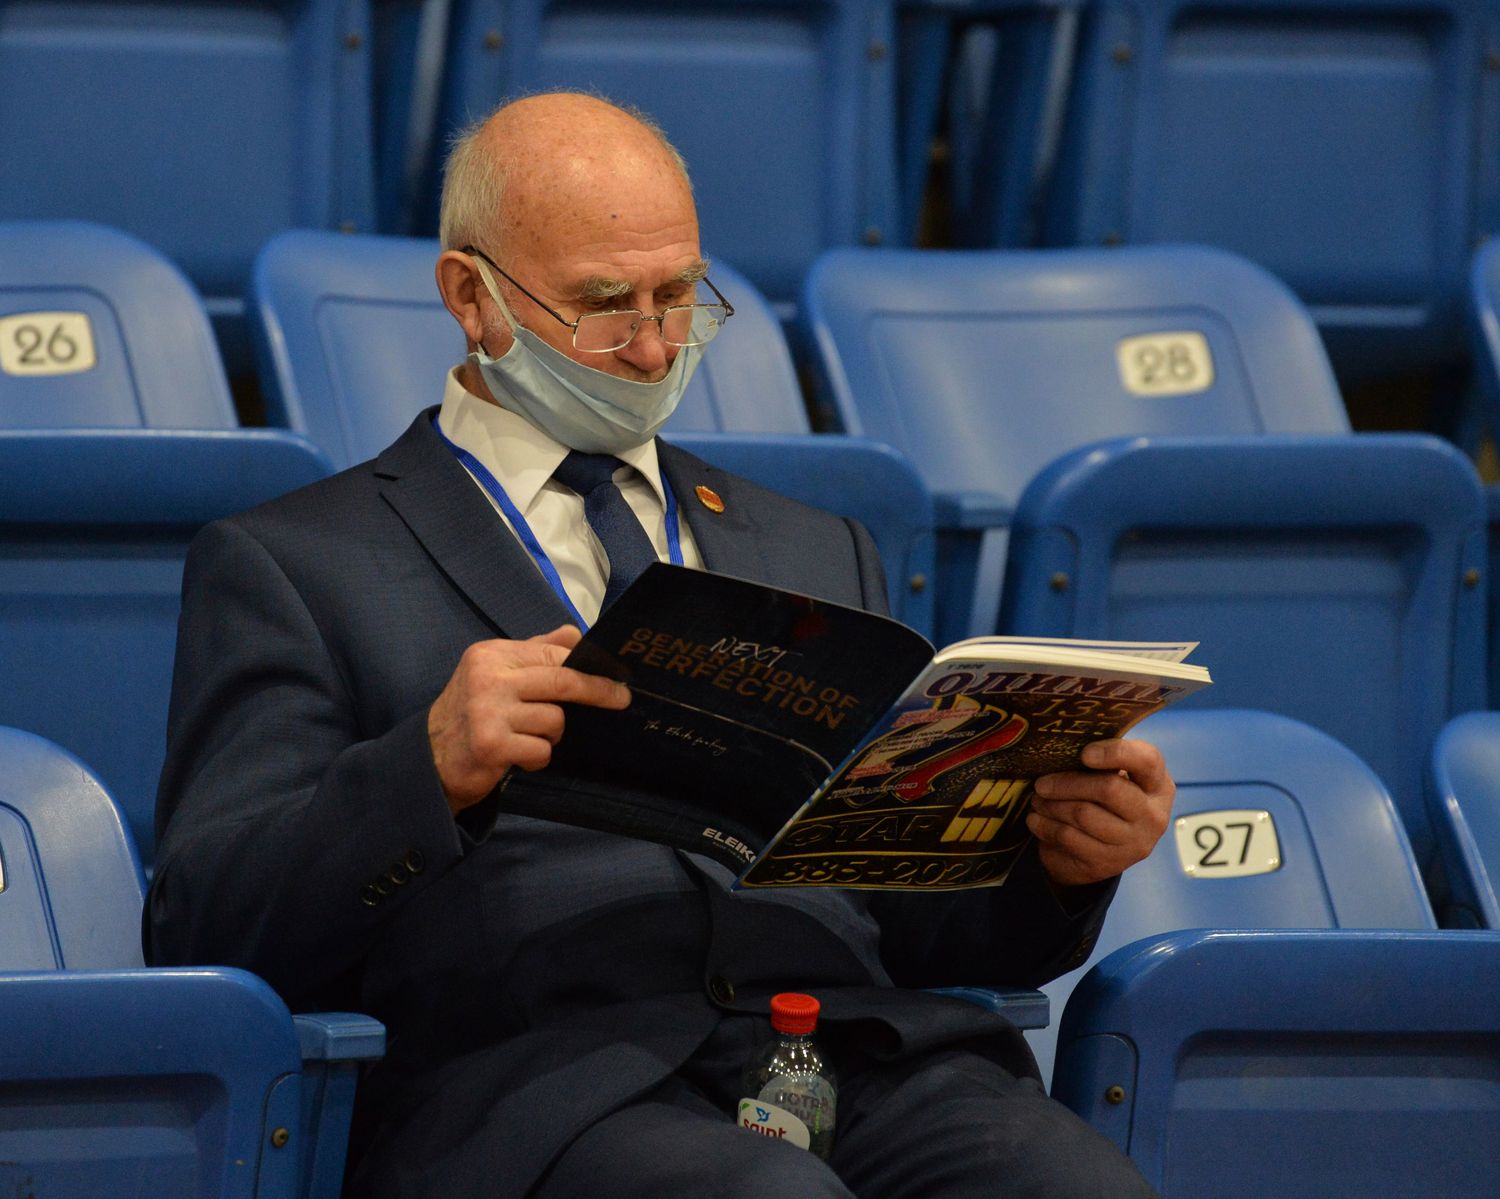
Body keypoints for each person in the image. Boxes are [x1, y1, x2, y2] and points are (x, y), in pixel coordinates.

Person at [146, 93, 1173, 1199]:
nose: (649, 347)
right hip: (544, 1097)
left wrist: (1058, 863)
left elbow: (915, 928)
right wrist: (423, 770)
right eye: (603, 306)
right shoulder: (297, 561)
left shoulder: (813, 545)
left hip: (849, 1058)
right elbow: (207, 927)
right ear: (471, 296)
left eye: (678, 298)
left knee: (1079, 1186)